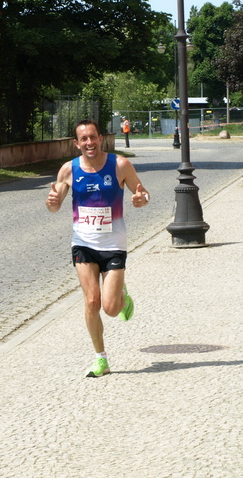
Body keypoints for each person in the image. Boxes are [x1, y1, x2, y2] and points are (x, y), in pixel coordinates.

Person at [46, 119, 150, 377]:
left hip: (114, 244)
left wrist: (140, 199)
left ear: (100, 138)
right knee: (92, 301)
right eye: (84, 139)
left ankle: (121, 295)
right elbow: (55, 204)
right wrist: (51, 202)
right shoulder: (68, 170)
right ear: (76, 143)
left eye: (93, 137)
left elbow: (143, 194)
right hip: (83, 243)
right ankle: (100, 358)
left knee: (111, 308)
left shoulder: (120, 165)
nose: (89, 143)